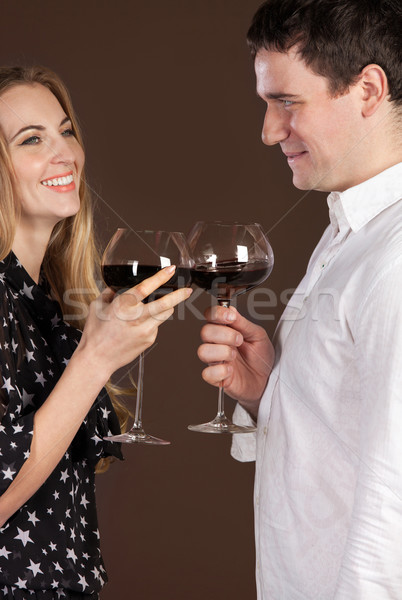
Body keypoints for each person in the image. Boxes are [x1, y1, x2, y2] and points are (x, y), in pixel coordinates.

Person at [198, 0, 402, 597]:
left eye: (286, 102)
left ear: (367, 89)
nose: (268, 131)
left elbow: (395, 488)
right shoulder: (349, 229)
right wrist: (269, 395)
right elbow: (343, 440)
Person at [0, 66, 192, 600]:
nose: (65, 153)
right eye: (31, 139)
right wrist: (95, 360)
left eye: (66, 131)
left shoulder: (44, 300)